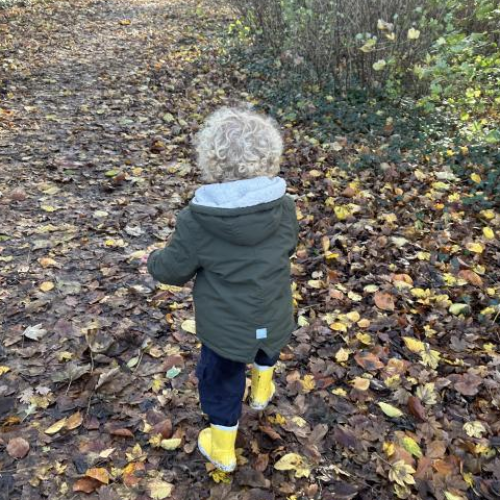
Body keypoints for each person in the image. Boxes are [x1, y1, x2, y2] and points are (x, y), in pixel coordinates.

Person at [143, 106, 299, 472]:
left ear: (211, 161)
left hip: (225, 329)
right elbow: (288, 245)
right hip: (274, 312)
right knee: (266, 343)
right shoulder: (285, 207)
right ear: (270, 157)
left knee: (221, 379)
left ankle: (223, 449)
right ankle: (261, 390)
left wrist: (153, 260)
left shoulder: (198, 220)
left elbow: (174, 270)